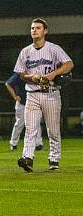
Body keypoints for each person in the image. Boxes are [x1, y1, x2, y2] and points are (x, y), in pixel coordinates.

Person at [14, 18, 74, 172]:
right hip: (32, 93)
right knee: (30, 129)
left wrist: (53, 74)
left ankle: (54, 159)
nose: (34, 30)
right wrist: (30, 77)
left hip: (51, 93)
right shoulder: (25, 51)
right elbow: (21, 73)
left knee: (53, 130)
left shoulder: (53, 49)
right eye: (32, 28)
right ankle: (28, 158)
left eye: (38, 28)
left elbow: (69, 64)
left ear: (45, 31)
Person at [5, 72, 42, 151]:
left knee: (36, 123)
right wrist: (15, 96)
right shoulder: (19, 74)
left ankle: (38, 144)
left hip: (33, 101)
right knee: (19, 124)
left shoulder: (34, 72)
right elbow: (8, 84)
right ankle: (13, 143)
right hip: (22, 103)